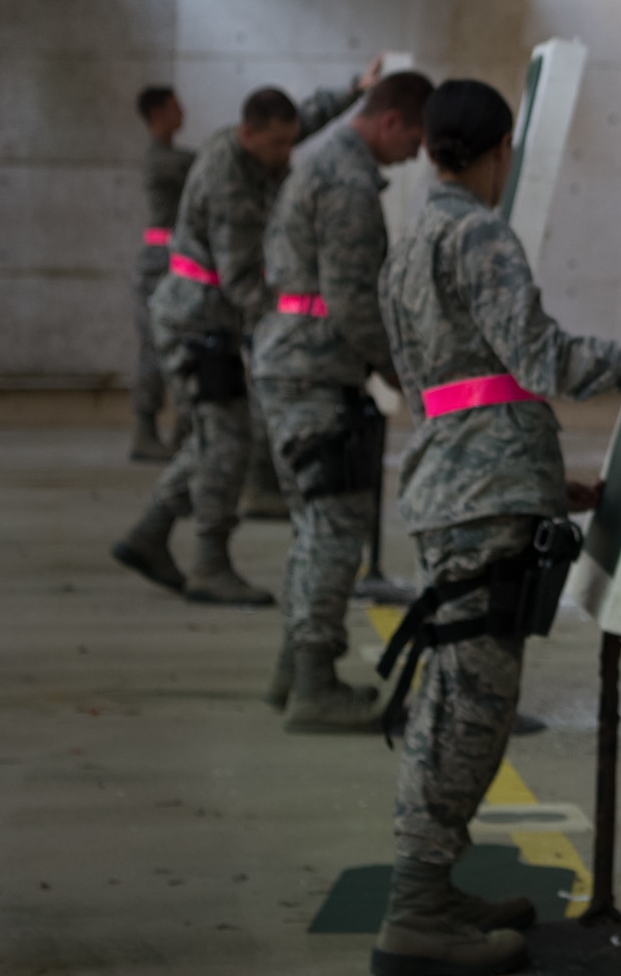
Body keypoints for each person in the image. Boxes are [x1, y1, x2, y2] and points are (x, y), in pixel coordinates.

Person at [370, 80, 621, 976]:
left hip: (460, 486)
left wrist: (545, 481)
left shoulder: (412, 240)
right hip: (483, 499)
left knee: (457, 695)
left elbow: (457, 383)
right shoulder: (478, 233)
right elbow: (544, 361)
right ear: (499, 149)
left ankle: (431, 885)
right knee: (472, 705)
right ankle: (417, 906)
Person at [109, 61, 383, 605]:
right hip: (197, 321)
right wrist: (282, 332)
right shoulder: (229, 178)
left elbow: (303, 118)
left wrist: (354, 90)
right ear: (247, 133)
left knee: (220, 434)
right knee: (227, 440)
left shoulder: (262, 142)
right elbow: (241, 282)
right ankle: (209, 563)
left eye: (289, 145)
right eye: (276, 146)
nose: (285, 156)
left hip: (209, 319)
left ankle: (151, 532)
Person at [252, 71, 436, 731]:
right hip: (315, 372)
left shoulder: (323, 160)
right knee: (334, 529)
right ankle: (312, 687)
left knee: (313, 527)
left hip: (295, 365)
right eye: (414, 138)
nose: (415, 154)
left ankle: (297, 671)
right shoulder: (350, 183)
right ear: (391, 121)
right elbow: (355, 304)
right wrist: (411, 379)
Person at [129, 86, 194, 463]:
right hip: (160, 264)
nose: (182, 111)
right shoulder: (163, 161)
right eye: (175, 106)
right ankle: (146, 431)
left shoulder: (168, 157)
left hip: (171, 260)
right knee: (156, 348)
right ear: (158, 113)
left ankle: (169, 430)